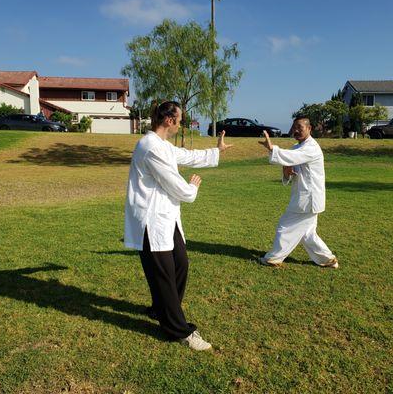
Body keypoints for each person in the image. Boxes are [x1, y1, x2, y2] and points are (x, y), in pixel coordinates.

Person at [124, 101, 232, 351]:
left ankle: (162, 308)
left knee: (180, 262)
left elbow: (186, 155)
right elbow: (177, 185)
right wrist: (192, 188)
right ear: (170, 120)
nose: (181, 124)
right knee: (163, 272)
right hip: (151, 220)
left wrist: (216, 151)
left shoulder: (162, 145)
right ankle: (178, 329)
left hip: (166, 218)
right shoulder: (150, 147)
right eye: (180, 120)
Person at [257, 118, 338, 268]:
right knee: (308, 234)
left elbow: (291, 158)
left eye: (299, 127)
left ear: (309, 128)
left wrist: (272, 148)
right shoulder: (297, 147)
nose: (296, 130)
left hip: (308, 199)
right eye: (294, 127)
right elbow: (289, 165)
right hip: (304, 197)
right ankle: (328, 259)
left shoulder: (311, 147)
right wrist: (287, 172)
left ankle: (273, 258)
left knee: (285, 226)